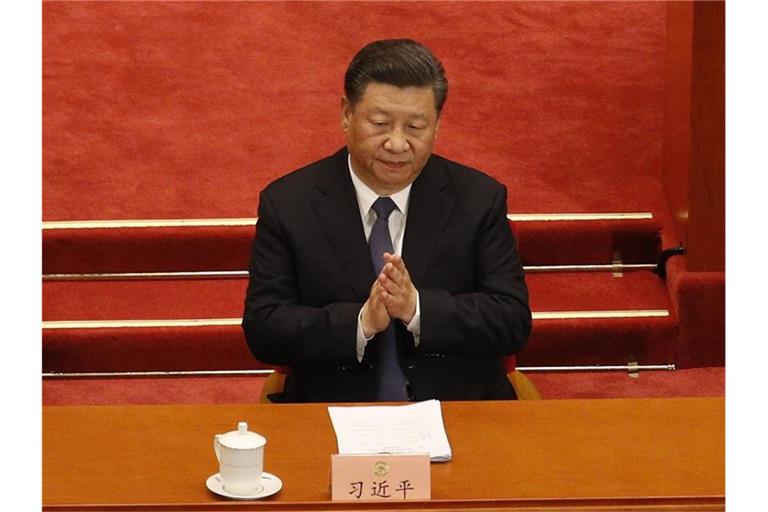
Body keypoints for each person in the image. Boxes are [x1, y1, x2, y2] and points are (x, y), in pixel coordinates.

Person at [242, 39, 531, 402]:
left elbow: (512, 321)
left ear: (437, 125)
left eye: (415, 127)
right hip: (334, 410)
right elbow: (264, 329)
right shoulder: (289, 203)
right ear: (346, 113)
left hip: (459, 408)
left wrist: (417, 309)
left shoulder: (478, 198)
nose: (397, 144)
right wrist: (360, 323)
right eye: (380, 124)